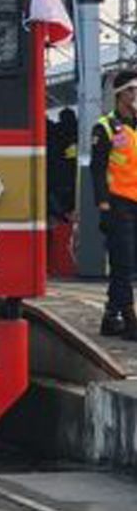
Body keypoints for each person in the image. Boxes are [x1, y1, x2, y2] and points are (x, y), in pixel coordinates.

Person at [93, 70, 137, 340]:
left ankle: (111, 316)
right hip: (117, 204)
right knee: (123, 263)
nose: (135, 96)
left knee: (129, 263)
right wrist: (102, 202)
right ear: (120, 94)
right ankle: (130, 320)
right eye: (132, 90)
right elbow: (97, 170)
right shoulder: (105, 127)